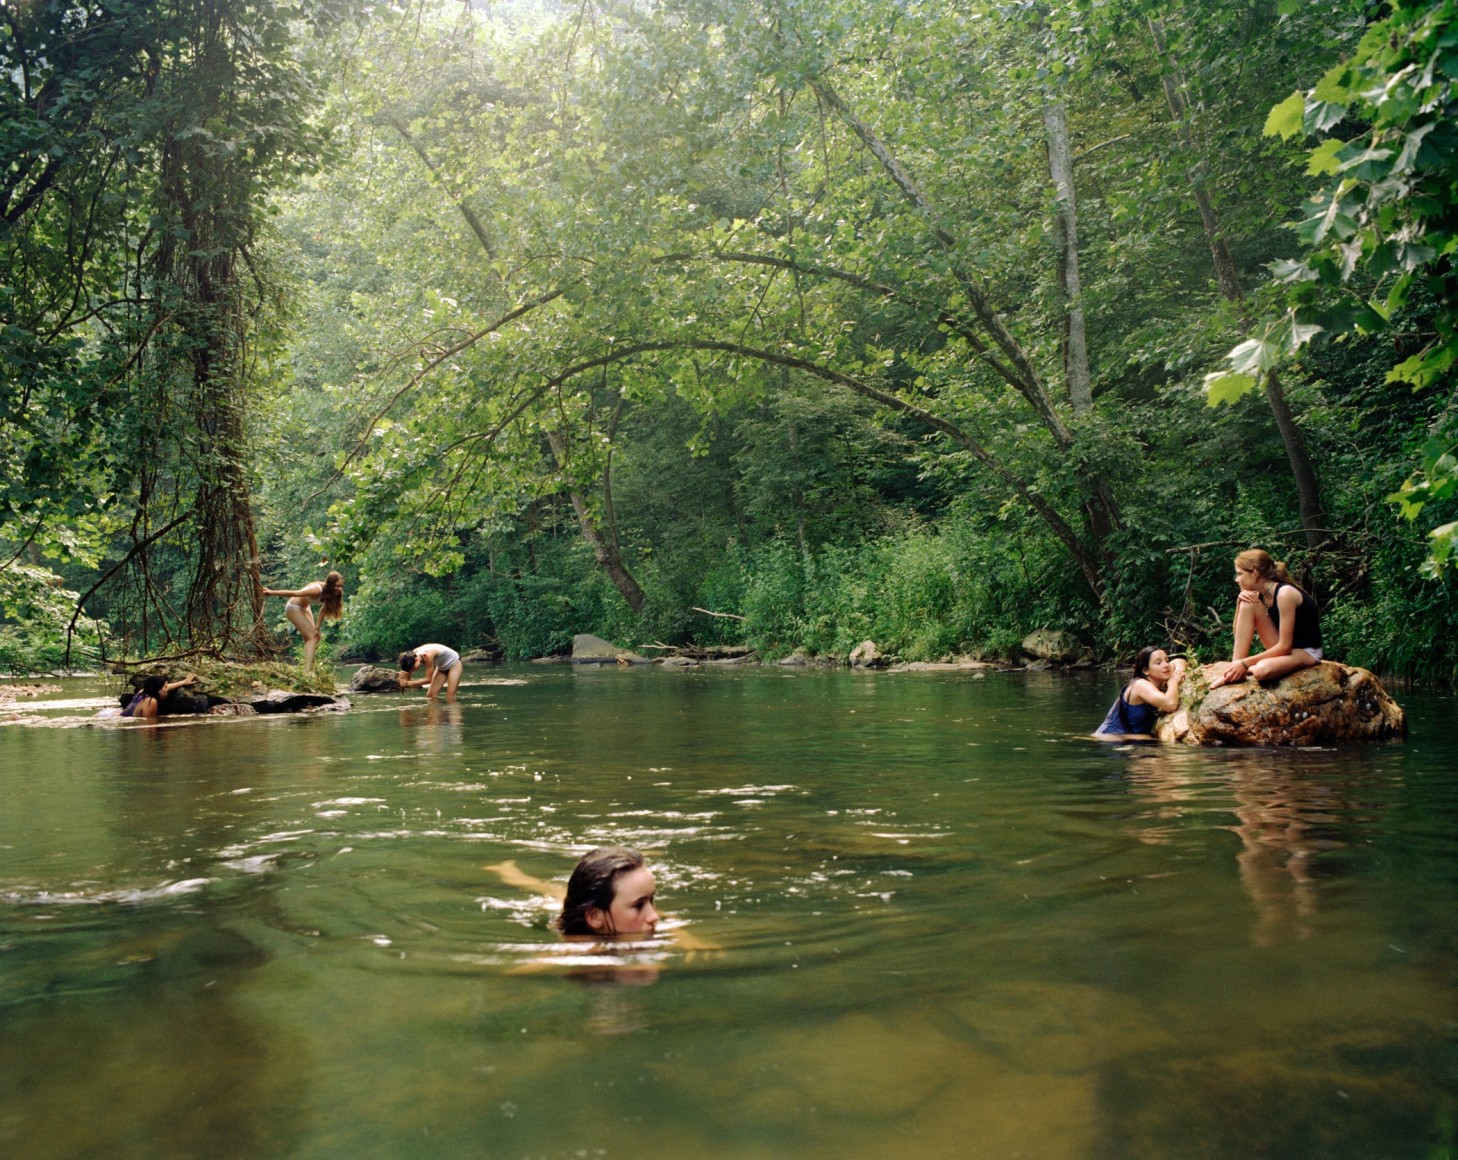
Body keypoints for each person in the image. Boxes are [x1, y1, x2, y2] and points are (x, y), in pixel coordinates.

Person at [1208, 549, 1323, 689]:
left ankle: (1241, 668)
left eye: (1240, 574)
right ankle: (1234, 671)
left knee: (1261, 670)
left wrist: (1245, 663)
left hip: (1306, 651)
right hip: (1283, 647)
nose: (1237, 579)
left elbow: (1285, 647)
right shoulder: (1260, 593)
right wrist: (1239, 603)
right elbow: (1238, 633)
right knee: (1247, 602)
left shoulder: (1285, 594)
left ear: (1255, 573)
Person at [1093, 646, 1186, 738]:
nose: (1166, 665)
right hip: (1111, 739)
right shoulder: (1139, 685)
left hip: (1132, 740)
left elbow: (1179, 661)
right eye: (1158, 663)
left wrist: (1177, 672)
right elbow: (1170, 705)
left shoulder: (1160, 678)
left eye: (1167, 660)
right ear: (1145, 670)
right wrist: (1173, 681)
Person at [262, 571, 344, 669]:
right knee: (312, 637)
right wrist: (271, 592)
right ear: (330, 585)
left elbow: (323, 610)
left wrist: (317, 628)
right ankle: (307, 672)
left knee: (314, 637)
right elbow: (294, 593)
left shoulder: (330, 593)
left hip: (305, 608)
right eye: (337, 586)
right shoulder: (316, 590)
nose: (339, 589)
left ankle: (310, 669)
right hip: (293, 607)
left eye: (341, 586)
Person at [397, 643, 462, 703]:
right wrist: (403, 677)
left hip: (454, 664)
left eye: (412, 668)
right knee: (431, 696)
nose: (413, 670)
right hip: (441, 667)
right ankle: (435, 712)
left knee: (450, 697)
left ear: (416, 660)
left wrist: (407, 683)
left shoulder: (427, 655)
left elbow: (429, 679)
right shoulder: (411, 656)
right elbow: (409, 681)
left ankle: (454, 711)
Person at [121, 673, 198, 720]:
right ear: (157, 689)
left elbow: (166, 686)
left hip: (121, 716)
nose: (167, 689)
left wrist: (183, 682)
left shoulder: (142, 692)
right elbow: (148, 725)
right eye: (165, 687)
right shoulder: (151, 701)